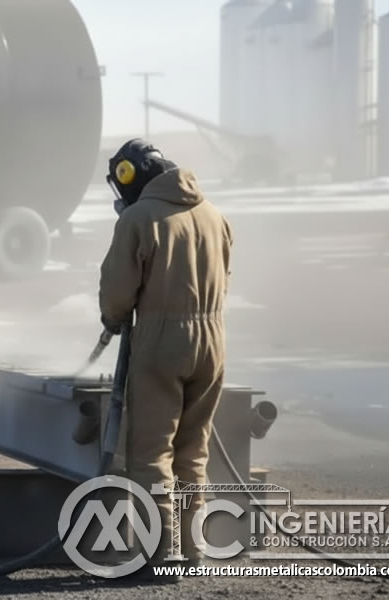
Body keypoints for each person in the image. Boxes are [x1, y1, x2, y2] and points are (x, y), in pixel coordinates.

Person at [99, 138, 233, 579]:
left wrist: (113, 318)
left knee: (152, 452)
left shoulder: (138, 219)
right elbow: (224, 277)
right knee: (193, 451)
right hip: (212, 341)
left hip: (161, 342)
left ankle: (159, 555)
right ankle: (193, 550)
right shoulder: (214, 215)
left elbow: (118, 292)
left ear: (130, 178)